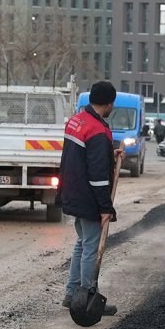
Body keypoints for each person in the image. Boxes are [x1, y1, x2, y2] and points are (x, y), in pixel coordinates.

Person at [59, 81, 121, 315]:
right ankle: (87, 298)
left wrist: (109, 154)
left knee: (82, 243)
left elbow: (81, 156)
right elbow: (97, 176)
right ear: (109, 103)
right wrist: (105, 207)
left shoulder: (77, 120)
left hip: (72, 192)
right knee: (91, 248)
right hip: (88, 198)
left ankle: (71, 294)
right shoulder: (98, 130)